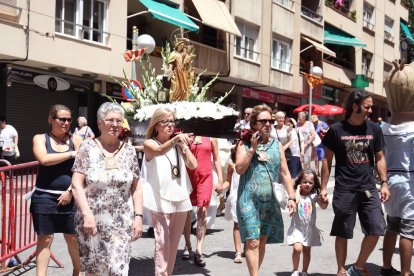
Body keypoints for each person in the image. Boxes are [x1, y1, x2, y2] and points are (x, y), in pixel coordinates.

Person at [320, 90, 390, 276]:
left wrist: (384, 183)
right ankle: (341, 270)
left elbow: (380, 158)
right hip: (345, 188)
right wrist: (323, 188)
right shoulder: (336, 129)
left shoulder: (374, 129)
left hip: (368, 187)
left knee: (377, 228)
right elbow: (327, 160)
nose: (370, 111)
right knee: (343, 231)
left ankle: (358, 267)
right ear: (354, 106)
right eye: (367, 107)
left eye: (371, 107)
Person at [71, 102, 143, 275]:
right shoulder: (86, 148)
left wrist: (139, 217)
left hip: (121, 222)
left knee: (118, 270)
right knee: (94, 271)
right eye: (110, 120)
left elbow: (136, 187)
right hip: (92, 221)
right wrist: (87, 215)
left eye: (119, 120)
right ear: (99, 123)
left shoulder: (129, 151)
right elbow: (76, 184)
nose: (115, 124)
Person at [235, 104, 297, 276]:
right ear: (254, 124)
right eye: (263, 121)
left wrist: (291, 197)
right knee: (252, 242)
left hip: (269, 202)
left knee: (262, 241)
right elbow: (239, 169)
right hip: (249, 201)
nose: (268, 124)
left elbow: (285, 172)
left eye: (270, 120)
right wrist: (252, 149)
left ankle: (255, 272)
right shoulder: (244, 144)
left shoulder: (277, 145)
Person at [141, 107, 197, 276]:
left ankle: (168, 273)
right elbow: (158, 151)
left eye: (172, 121)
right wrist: (175, 141)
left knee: (173, 243)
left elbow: (193, 165)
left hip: (179, 198)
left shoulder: (177, 144)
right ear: (156, 125)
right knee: (162, 242)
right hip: (159, 199)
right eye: (165, 121)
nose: (170, 125)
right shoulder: (149, 143)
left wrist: (183, 146)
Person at [30, 104, 82, 276]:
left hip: (70, 195)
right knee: (45, 239)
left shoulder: (76, 140)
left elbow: (82, 170)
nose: (66, 123)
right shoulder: (40, 138)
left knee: (73, 238)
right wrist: (70, 154)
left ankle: (77, 271)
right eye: (62, 119)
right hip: (43, 196)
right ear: (51, 120)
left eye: (69, 119)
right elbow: (43, 159)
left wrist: (70, 191)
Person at [381, 64, 414, 276]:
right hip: (410, 182)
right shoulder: (412, 129)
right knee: (408, 230)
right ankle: (405, 272)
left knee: (391, 225)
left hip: (389, 181)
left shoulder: (383, 128)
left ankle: (386, 267)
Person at [182, 136, 223, 267]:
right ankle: (187, 244)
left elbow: (216, 159)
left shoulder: (211, 138)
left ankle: (199, 249)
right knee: (187, 212)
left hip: (205, 176)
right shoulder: (186, 135)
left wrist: (220, 180)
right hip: (188, 176)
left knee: (203, 211)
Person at [287, 169, 328, 276]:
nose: (307, 185)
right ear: (300, 182)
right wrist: (297, 190)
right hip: (297, 228)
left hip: (309, 229)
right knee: (297, 248)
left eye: (310, 183)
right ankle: (295, 269)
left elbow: (323, 207)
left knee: (306, 251)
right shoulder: (295, 196)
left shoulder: (314, 196)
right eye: (304, 182)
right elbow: (296, 201)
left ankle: (304, 271)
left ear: (314, 184)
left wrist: (325, 201)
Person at [224, 147, 243, 263]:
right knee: (237, 224)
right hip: (236, 196)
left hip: (249, 195)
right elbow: (228, 181)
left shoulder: (250, 162)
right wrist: (221, 187)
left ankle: (248, 246)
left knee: (249, 224)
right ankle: (238, 252)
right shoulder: (232, 164)